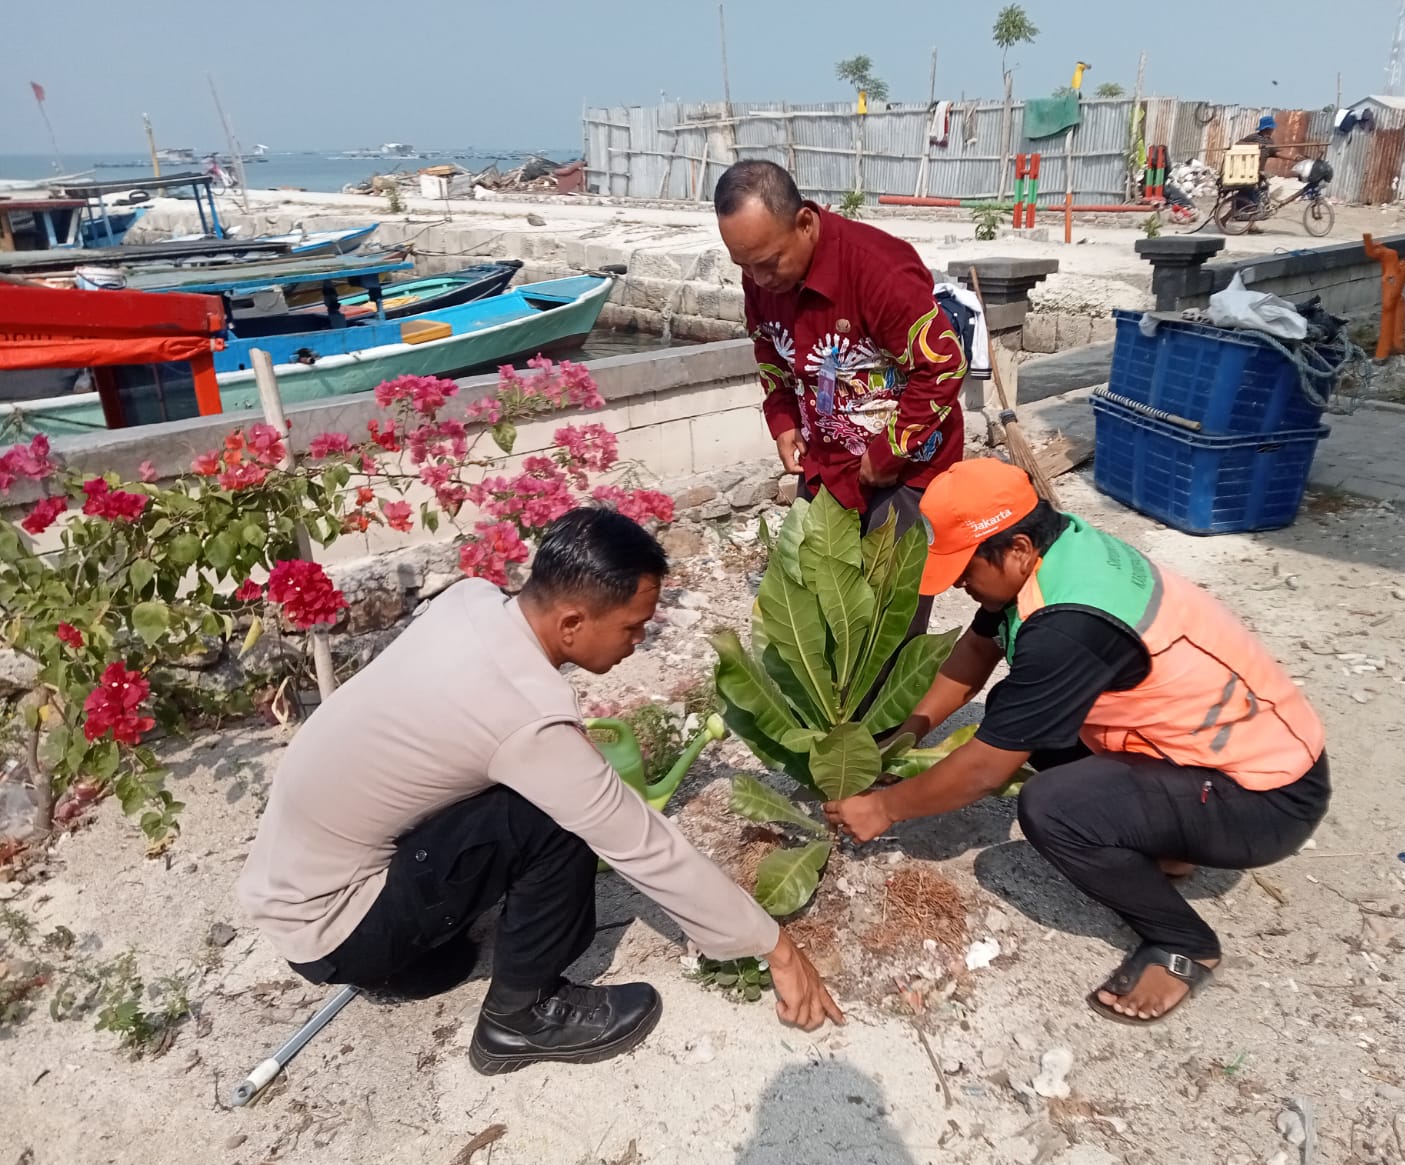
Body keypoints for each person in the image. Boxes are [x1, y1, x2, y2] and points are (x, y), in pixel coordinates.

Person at [238, 508, 842, 1077]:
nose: (639, 642)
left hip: (300, 891)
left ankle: (414, 957)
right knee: (551, 814)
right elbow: (644, 844)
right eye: (632, 627)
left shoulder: (471, 601)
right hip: (336, 928)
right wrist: (775, 946)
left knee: (529, 791)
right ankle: (519, 1019)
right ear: (572, 623)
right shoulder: (526, 721)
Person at [823, 459, 1330, 1025]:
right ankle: (1171, 848)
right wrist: (909, 730)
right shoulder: (1057, 550)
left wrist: (884, 808)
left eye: (965, 570)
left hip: (1267, 800)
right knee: (1015, 718)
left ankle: (1182, 941)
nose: (961, 584)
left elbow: (985, 770)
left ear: (1015, 548)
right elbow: (978, 649)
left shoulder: (1069, 620)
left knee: (1052, 808)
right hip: (1223, 756)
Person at [714, 159, 966, 634]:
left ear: (805, 223)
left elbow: (944, 366)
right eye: (743, 265)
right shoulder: (760, 273)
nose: (757, 278)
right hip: (827, 460)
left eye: (768, 263)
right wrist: (783, 417)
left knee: (885, 625)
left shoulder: (878, 271)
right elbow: (768, 344)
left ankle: (886, 711)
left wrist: (889, 451)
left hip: (905, 472)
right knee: (817, 608)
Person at [1238, 115, 1282, 233]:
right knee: (1251, 199)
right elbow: (1238, 144)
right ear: (1267, 128)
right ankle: (1247, 223)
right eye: (1272, 128)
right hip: (1248, 172)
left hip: (1258, 174)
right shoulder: (1254, 137)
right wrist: (1254, 145)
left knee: (1257, 197)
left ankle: (1250, 224)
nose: (1273, 130)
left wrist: (1294, 158)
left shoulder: (1269, 142)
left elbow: (1276, 152)